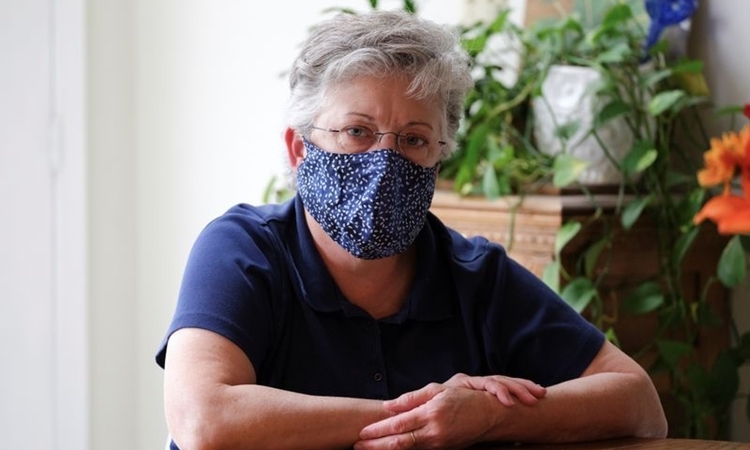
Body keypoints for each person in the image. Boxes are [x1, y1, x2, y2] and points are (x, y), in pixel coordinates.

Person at [155, 9, 667, 450]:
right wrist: (426, 418)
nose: (385, 162)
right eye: (357, 131)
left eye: (414, 139)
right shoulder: (243, 250)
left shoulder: (476, 277)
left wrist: (490, 415)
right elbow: (203, 421)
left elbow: (639, 403)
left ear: (438, 161)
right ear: (299, 149)